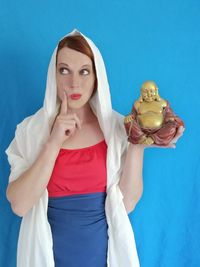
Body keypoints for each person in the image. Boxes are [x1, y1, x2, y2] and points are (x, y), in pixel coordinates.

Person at [5, 29, 184, 267]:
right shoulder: (31, 131)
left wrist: (138, 140)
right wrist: (53, 143)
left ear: (97, 76)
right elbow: (19, 205)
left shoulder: (117, 128)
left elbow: (127, 203)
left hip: (103, 259)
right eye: (64, 70)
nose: (74, 83)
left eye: (84, 71)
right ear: (53, 75)